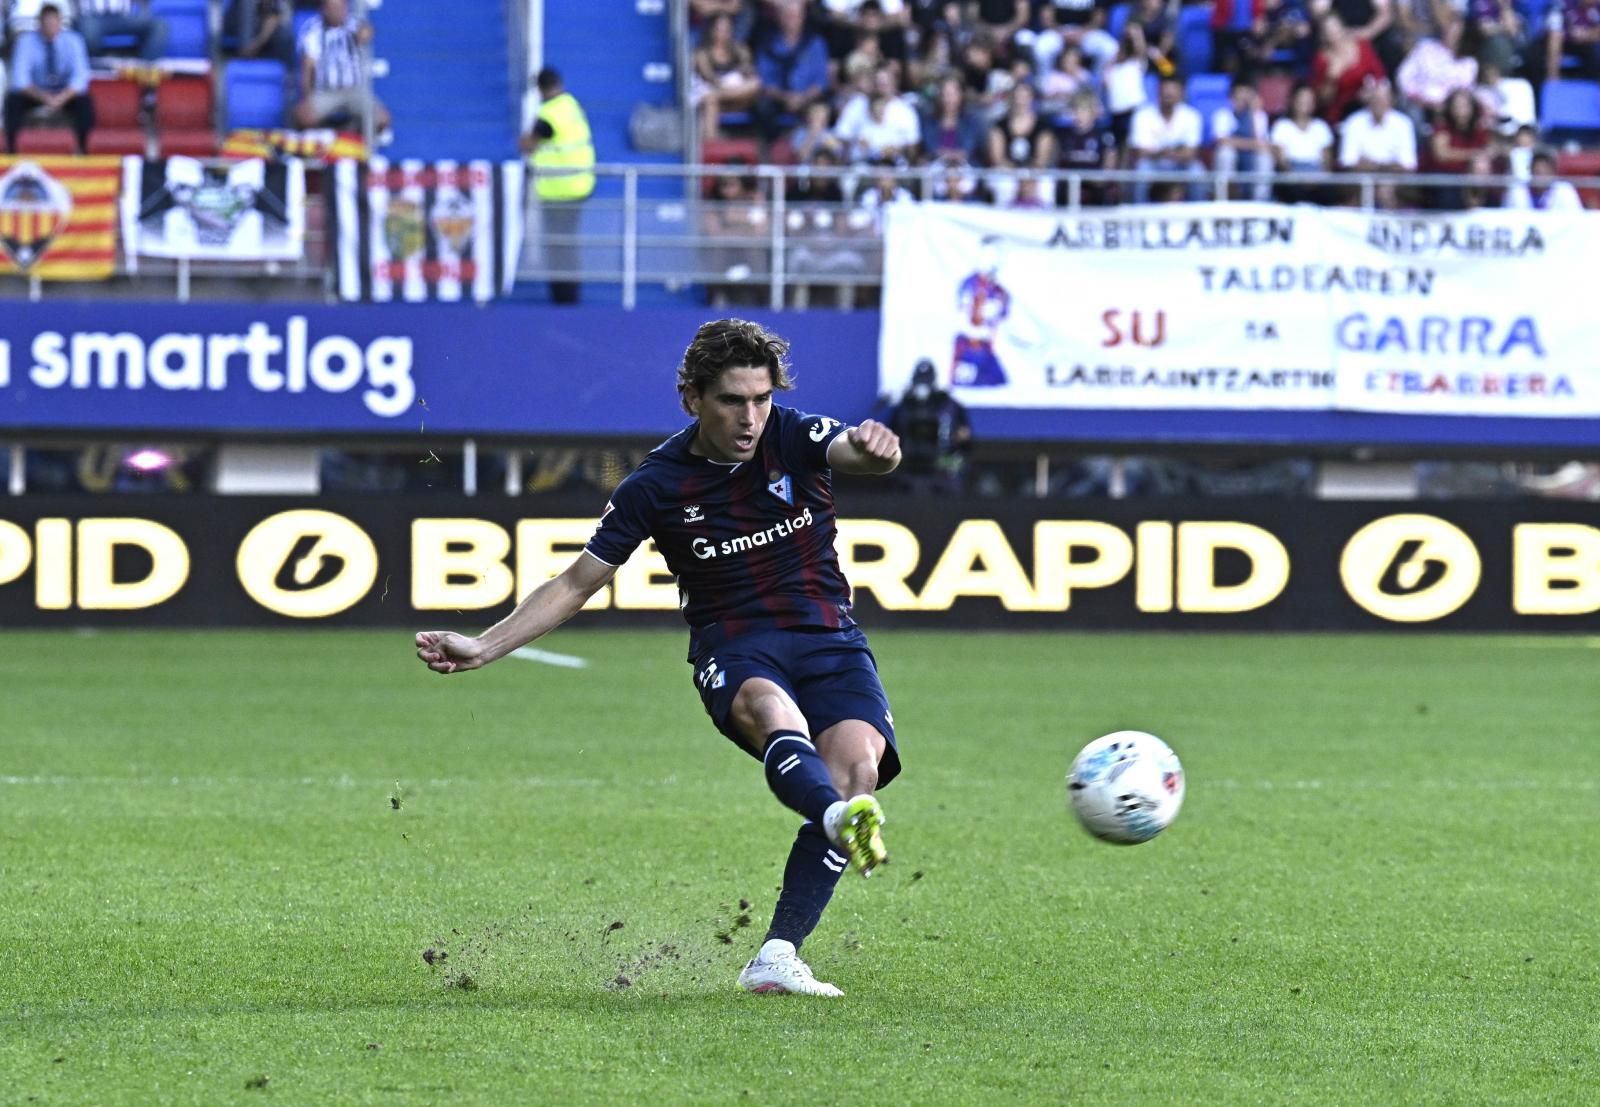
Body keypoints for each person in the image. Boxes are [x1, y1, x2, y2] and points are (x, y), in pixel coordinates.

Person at [415, 319, 904, 998]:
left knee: (860, 770)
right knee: (772, 709)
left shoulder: (793, 435)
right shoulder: (657, 483)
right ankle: (832, 817)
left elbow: (856, 451)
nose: (751, 416)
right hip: (737, 645)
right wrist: (484, 644)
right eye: (734, 400)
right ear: (693, 398)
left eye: (761, 398)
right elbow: (575, 583)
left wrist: (878, 449)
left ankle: (776, 953)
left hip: (829, 637)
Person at [523, 66, 595, 306]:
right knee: (568, 244)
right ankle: (570, 294)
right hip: (580, 184)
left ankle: (564, 298)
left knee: (558, 247)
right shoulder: (570, 104)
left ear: (540, 89)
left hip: (559, 190)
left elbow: (528, 144)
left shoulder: (548, 114)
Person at [4, 4, 93, 154]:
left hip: (64, 94)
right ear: (39, 24)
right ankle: (11, 149)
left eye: (53, 23)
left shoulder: (74, 41)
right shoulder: (25, 42)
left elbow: (80, 78)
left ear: (60, 23)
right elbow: (20, 80)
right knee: (13, 100)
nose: (50, 27)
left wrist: (62, 98)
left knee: (84, 102)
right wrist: (45, 98)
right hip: (36, 93)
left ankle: (83, 149)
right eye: (46, 23)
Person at [293, 0, 391, 133]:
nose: (337, 11)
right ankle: (324, 141)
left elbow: (367, 33)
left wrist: (365, 32)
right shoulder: (313, 31)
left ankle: (349, 135)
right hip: (326, 91)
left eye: (340, 7)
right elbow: (307, 69)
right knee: (303, 116)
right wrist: (306, 98)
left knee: (382, 118)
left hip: (354, 90)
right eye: (333, 8)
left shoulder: (354, 25)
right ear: (324, 9)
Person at [889, 359, 973, 495]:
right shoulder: (904, 407)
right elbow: (892, 437)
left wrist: (957, 440)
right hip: (911, 468)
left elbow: (967, 442)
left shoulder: (949, 406)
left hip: (942, 468)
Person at [1127, 73, 1204, 202]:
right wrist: (1163, 152)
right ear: (1158, 92)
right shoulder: (1142, 115)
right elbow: (1140, 151)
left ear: (1181, 94)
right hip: (1153, 163)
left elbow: (1192, 152)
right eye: (1165, 93)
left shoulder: (1192, 116)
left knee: (1197, 171)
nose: (1168, 96)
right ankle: (1138, 215)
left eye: (1172, 93)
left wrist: (1171, 153)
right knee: (1142, 169)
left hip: (1180, 165)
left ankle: (1199, 216)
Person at [74, 0, 168, 61]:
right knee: (90, 33)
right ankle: (96, 66)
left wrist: (144, 11)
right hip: (90, 16)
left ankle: (143, 68)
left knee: (159, 26)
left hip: (123, 17)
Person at [1504, 150, 1584, 209]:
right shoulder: (1517, 191)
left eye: (1545, 169)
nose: (1540, 172)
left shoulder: (1565, 190)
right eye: (1537, 169)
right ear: (1530, 171)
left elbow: (1576, 219)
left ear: (1553, 171)